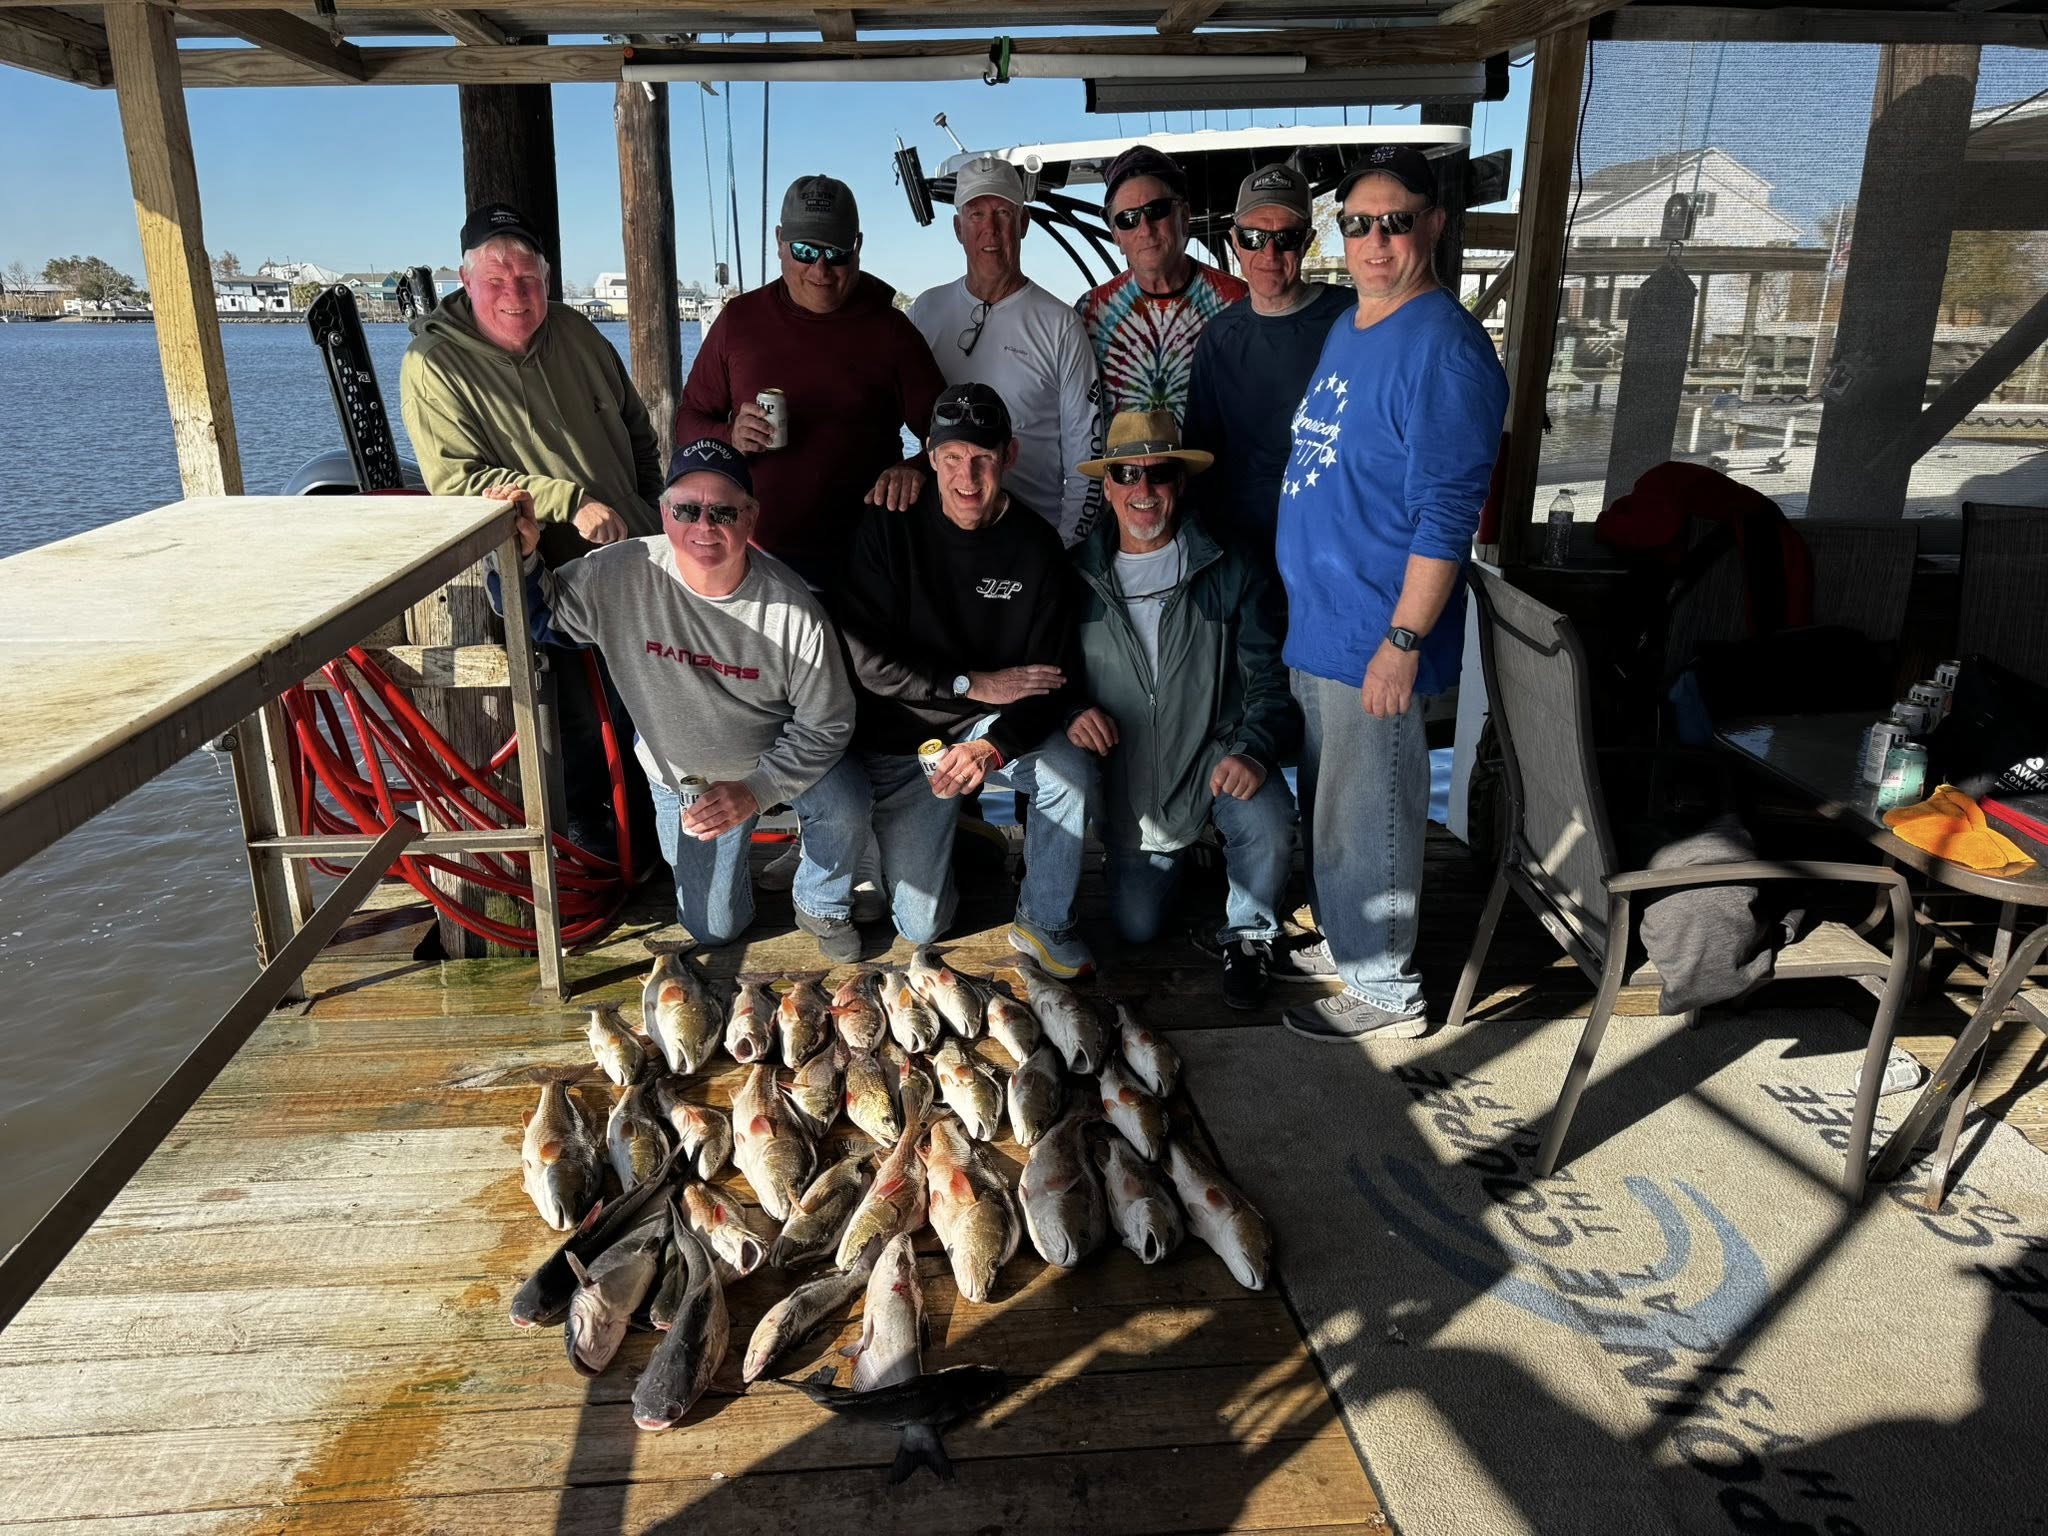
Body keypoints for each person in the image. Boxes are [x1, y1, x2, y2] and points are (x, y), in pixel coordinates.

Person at [1275, 145, 1508, 1042]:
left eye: (1396, 221)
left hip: (1376, 630)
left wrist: (1402, 642)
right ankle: (1349, 940)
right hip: (1322, 622)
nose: (1375, 240)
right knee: (1333, 802)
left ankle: (1385, 985)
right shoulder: (1355, 323)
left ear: (1433, 225)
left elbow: (1448, 516)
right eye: (1358, 223)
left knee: (1373, 806)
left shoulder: (1446, 350)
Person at [487, 440, 868, 964]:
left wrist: (755, 791)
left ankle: (820, 902)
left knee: (847, 803)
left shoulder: (795, 611)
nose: (703, 526)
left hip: (776, 761)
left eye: (723, 512)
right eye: (687, 510)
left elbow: (828, 726)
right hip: (685, 779)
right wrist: (521, 553)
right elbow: (541, 616)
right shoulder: (618, 572)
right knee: (712, 930)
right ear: (664, 513)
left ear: (750, 517)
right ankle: (736, 883)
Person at [400, 201, 664, 860]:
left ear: (547, 278)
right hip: (545, 574)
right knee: (579, 722)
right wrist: (568, 501)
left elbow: (637, 429)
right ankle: (598, 856)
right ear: (466, 280)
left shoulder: (576, 331)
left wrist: (650, 507)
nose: (514, 293)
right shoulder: (432, 364)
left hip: (635, 557)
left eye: (527, 277)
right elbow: (456, 481)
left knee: (653, 706)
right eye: (496, 279)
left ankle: (657, 846)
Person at [826, 383, 1099, 977]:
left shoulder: (1037, 546)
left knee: (1069, 774)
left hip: (982, 729)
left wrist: (992, 748)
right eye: (952, 458)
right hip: (902, 737)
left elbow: (1047, 681)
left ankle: (1044, 920)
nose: (966, 477)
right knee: (921, 927)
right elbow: (867, 663)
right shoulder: (887, 525)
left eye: (982, 458)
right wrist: (969, 683)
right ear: (929, 456)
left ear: (1010, 455)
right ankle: (950, 831)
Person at [1069, 411, 1299, 1009]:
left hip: (1215, 761)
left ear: (1181, 483)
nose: (1143, 489)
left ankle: (1250, 934)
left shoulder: (1232, 565)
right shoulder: (1073, 576)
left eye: (1160, 473)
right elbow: (1048, 677)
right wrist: (1072, 710)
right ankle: (1190, 854)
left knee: (1269, 817)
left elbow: (1271, 677)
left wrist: (1253, 749)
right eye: (1127, 474)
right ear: (1108, 486)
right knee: (1136, 925)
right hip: (1132, 790)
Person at [675, 173, 946, 586]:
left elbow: (947, 435)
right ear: (779, 241)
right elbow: (687, 421)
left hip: (865, 562)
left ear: (857, 247)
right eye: (805, 250)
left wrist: (915, 468)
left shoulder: (891, 330)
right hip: (756, 559)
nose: (821, 269)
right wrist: (730, 436)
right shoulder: (739, 320)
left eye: (836, 253)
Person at [908, 154, 1104, 547]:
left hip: (1033, 543)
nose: (991, 229)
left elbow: (1088, 453)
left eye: (1003, 213)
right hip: (942, 546)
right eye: (976, 215)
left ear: (1023, 223)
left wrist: (1066, 547)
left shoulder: (1060, 324)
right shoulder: (925, 312)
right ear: (958, 228)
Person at [1183, 163, 1355, 553]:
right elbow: (1201, 460)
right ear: (1234, 241)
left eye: (1286, 237)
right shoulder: (1218, 338)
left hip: (1335, 546)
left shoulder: (1355, 321)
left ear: (1307, 241)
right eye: (1254, 237)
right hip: (1244, 552)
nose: (1269, 252)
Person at [1074, 144, 1247, 427]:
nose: (1145, 229)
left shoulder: (1238, 302)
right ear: (1116, 236)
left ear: (1184, 216)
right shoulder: (1091, 313)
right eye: (1128, 219)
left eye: (1157, 210)